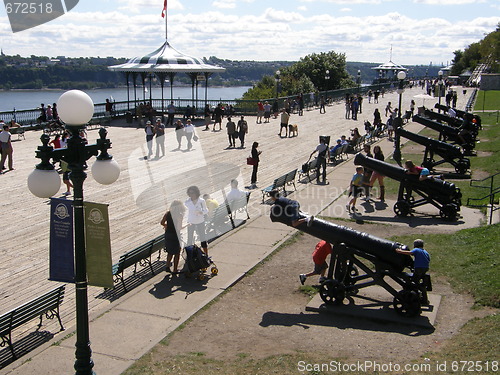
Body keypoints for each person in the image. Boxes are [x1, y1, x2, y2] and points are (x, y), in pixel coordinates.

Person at [395, 239, 430, 304]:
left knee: (414, 282)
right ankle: (424, 298)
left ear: (415, 245)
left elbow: (410, 253)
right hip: (425, 268)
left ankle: (414, 294)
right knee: (418, 280)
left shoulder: (416, 250)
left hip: (419, 268)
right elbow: (428, 258)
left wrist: (400, 251)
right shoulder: (425, 251)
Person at [161, 200, 186, 274]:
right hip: (175, 235)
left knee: (170, 252)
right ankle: (175, 269)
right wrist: (187, 225)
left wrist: (166, 225)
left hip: (168, 234)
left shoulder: (168, 213)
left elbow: (162, 223)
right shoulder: (179, 215)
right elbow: (179, 228)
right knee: (177, 253)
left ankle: (167, 266)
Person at [184, 186, 209, 255]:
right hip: (191, 222)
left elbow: (206, 210)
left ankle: (206, 254)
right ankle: (189, 256)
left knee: (202, 238)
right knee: (189, 239)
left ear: (196, 193)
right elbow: (184, 211)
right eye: (189, 193)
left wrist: (201, 212)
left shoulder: (201, 201)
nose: (191, 195)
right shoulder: (187, 202)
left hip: (200, 221)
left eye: (193, 193)